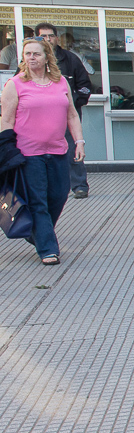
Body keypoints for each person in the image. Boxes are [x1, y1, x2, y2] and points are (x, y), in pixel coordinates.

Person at [0, 38, 85, 264]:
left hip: (58, 150)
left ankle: (35, 232)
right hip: (28, 154)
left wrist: (79, 141)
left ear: (47, 57)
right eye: (27, 54)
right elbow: (6, 120)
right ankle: (48, 249)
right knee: (38, 201)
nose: (31, 58)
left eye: (36, 54)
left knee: (58, 196)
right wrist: (7, 150)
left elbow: (72, 114)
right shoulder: (15, 84)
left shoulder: (60, 82)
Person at [34, 23, 91, 199]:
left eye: (51, 36)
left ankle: (79, 186)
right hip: (38, 117)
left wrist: (73, 102)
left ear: (57, 38)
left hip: (66, 116)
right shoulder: (29, 63)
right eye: (43, 36)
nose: (48, 39)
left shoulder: (71, 59)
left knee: (73, 148)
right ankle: (47, 186)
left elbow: (85, 86)